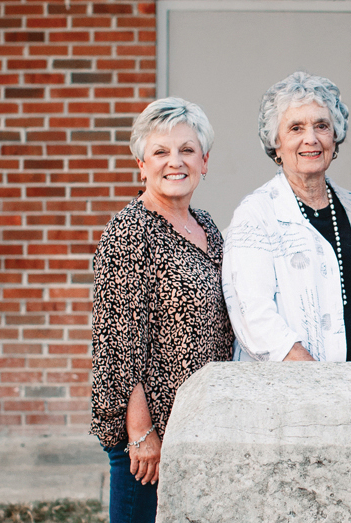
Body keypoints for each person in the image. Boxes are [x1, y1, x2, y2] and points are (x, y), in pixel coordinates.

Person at [90, 97, 234, 523]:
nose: (176, 162)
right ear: (141, 164)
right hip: (151, 438)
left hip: (197, 429)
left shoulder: (207, 226)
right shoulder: (130, 231)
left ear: (204, 161)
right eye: (161, 151)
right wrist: (141, 433)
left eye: (187, 150)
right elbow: (117, 343)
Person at [223, 71, 351, 363]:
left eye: (321, 126)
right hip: (286, 394)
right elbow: (254, 317)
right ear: (276, 143)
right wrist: (319, 384)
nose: (310, 139)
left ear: (335, 137)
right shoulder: (256, 215)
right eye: (296, 128)